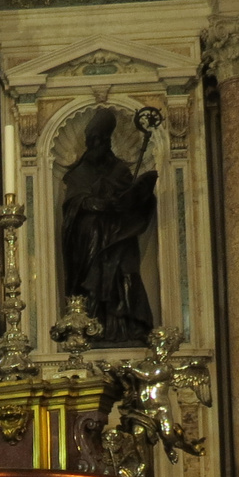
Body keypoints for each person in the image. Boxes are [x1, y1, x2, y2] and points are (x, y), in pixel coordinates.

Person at [60, 108, 158, 344]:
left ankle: (126, 326)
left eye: (99, 139)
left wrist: (131, 198)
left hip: (118, 236)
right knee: (91, 281)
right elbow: (72, 203)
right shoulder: (79, 172)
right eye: (91, 140)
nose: (95, 144)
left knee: (124, 275)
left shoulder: (120, 170)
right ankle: (89, 324)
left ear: (107, 140)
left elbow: (133, 201)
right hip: (90, 239)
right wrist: (92, 203)